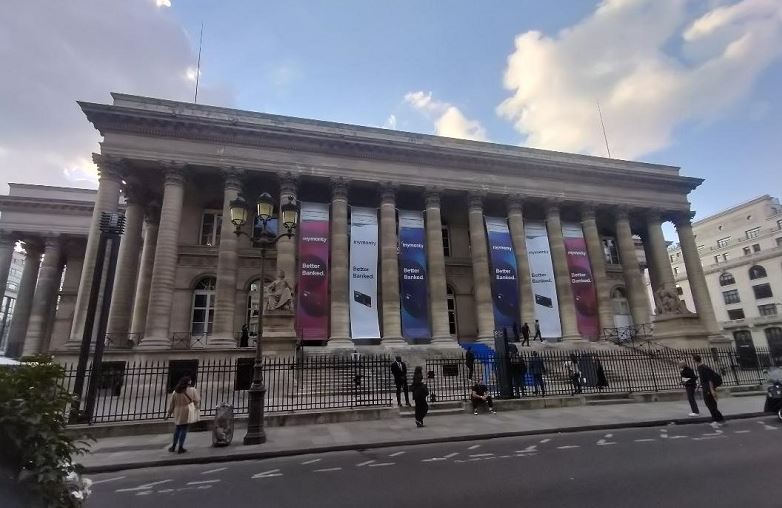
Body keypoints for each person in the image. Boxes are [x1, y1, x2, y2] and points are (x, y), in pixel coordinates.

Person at [166, 376, 200, 454]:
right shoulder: (192, 390)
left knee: (177, 429)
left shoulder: (176, 391)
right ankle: (180, 447)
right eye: (190, 381)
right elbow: (197, 401)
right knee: (184, 429)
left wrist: (168, 413)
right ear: (188, 382)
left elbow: (172, 404)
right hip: (186, 410)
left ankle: (173, 446)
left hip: (177, 411)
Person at [694, 354, 724, 425]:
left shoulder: (702, 367)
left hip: (708, 389)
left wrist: (712, 390)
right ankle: (719, 418)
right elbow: (702, 379)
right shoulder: (701, 367)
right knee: (710, 404)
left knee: (710, 404)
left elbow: (709, 379)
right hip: (706, 388)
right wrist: (698, 387)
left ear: (695, 360)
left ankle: (716, 419)